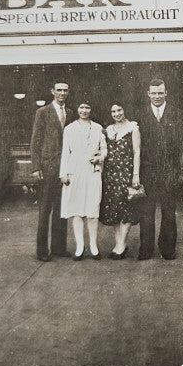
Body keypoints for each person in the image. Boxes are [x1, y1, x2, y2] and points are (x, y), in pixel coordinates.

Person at [137, 78, 183, 260]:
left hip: (169, 172)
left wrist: (179, 172)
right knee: (146, 213)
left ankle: (167, 249)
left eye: (160, 93)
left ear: (166, 93)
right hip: (147, 172)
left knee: (168, 212)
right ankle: (146, 250)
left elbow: (181, 144)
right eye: (153, 93)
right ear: (148, 94)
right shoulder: (140, 115)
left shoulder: (176, 114)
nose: (157, 96)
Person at [60, 102, 107, 260]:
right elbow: (65, 152)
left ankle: (93, 245)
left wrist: (100, 157)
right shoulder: (70, 129)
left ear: (91, 109)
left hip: (93, 172)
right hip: (75, 173)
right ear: (77, 109)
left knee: (92, 211)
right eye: (81, 107)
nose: (84, 110)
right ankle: (80, 246)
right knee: (77, 210)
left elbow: (104, 149)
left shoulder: (98, 128)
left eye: (87, 107)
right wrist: (63, 173)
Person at [30, 82, 70, 262]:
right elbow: (36, 140)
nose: (62, 93)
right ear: (52, 91)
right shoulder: (43, 112)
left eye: (65, 90)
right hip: (48, 167)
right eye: (59, 90)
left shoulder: (71, 113)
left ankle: (59, 248)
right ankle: (42, 250)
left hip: (66, 168)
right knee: (45, 209)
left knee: (62, 209)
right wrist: (36, 167)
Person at [99, 103, 141, 259]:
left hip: (126, 172)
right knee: (114, 208)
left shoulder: (133, 128)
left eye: (119, 110)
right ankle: (119, 243)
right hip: (111, 174)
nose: (116, 113)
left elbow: (137, 152)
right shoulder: (108, 130)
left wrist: (135, 174)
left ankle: (122, 244)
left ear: (125, 110)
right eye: (113, 111)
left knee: (126, 208)